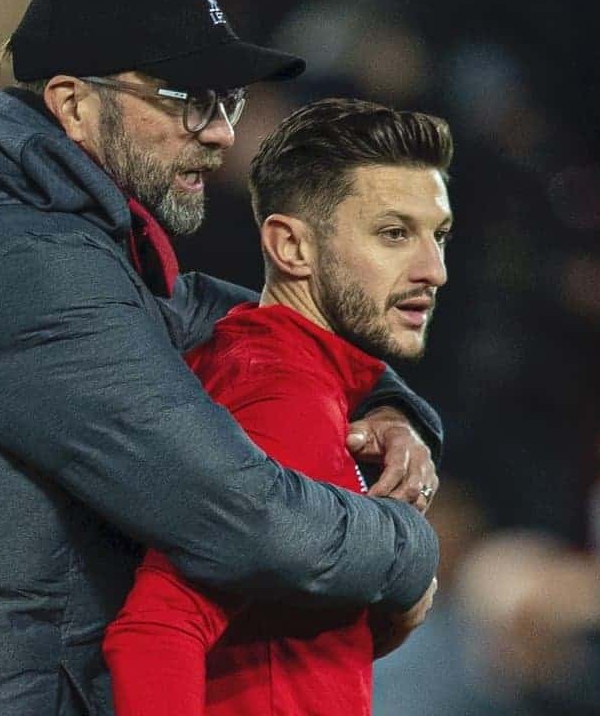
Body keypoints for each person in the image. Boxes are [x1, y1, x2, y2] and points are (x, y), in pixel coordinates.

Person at [0, 0, 440, 716]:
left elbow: (249, 315)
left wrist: (387, 403)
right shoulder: (29, 262)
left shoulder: (76, 241)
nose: (220, 134)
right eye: (187, 99)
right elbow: (242, 517)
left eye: (226, 101)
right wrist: (405, 545)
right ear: (72, 103)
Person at [102, 98, 453, 715]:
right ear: (292, 247)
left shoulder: (299, 377)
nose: (434, 270)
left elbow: (270, 652)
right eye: (394, 233)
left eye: (438, 235)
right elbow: (156, 632)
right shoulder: (281, 392)